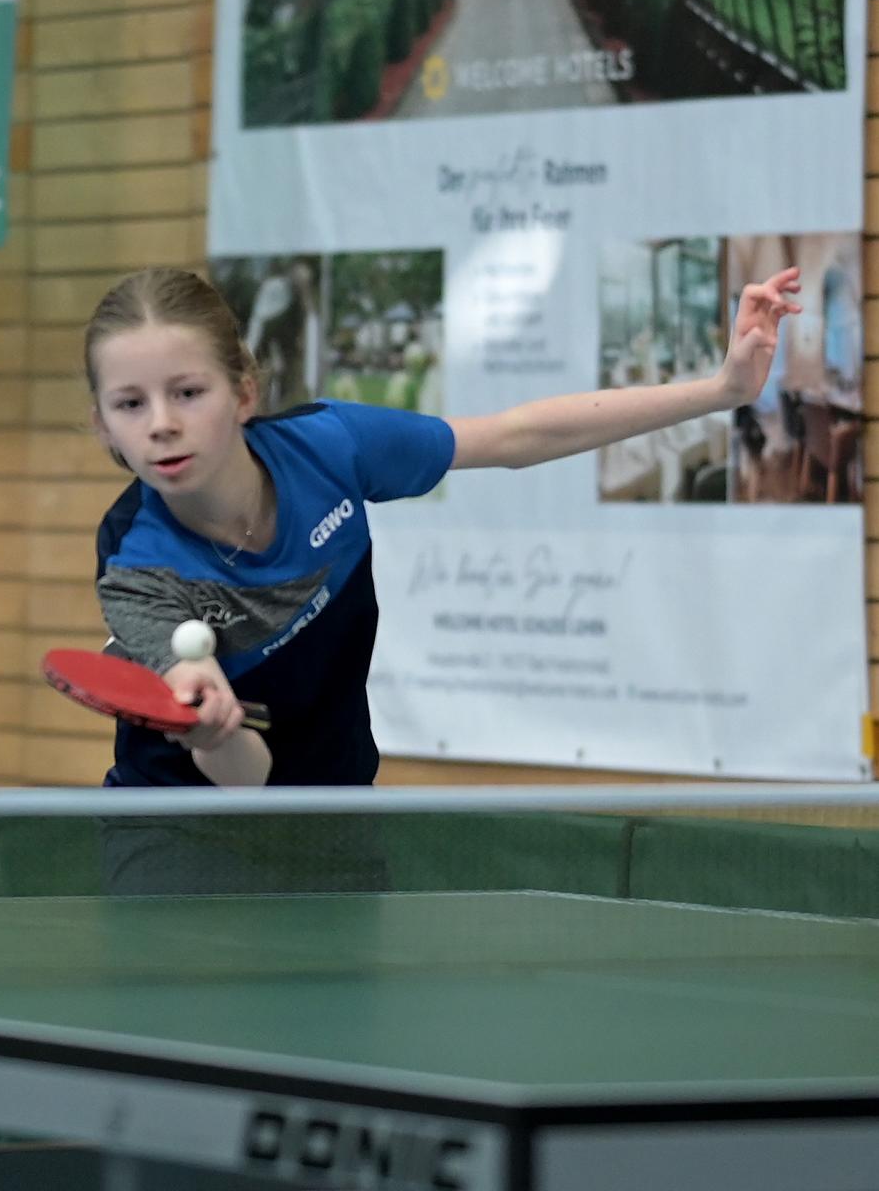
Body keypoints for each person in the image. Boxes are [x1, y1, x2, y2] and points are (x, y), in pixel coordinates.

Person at [84, 265, 799, 892]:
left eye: (187, 392)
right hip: (177, 840)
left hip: (335, 822)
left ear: (243, 392)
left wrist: (720, 389)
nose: (161, 425)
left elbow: (515, 436)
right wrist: (210, 732)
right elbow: (247, 780)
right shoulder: (137, 562)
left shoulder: (326, 450)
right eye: (130, 404)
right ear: (104, 425)